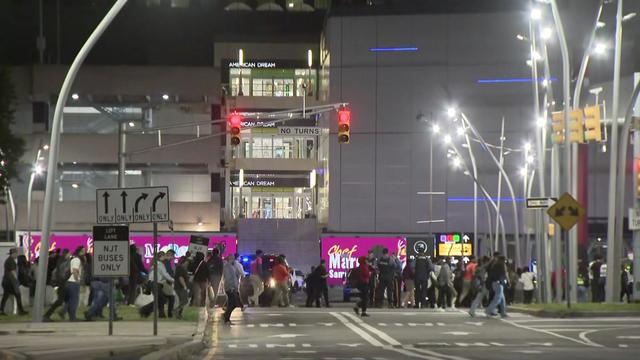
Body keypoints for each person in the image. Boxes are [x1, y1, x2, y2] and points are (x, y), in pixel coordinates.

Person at [43, 249, 71, 321]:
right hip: (63, 283)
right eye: (69, 254)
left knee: (68, 299)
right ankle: (47, 315)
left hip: (61, 282)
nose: (70, 255)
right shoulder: (64, 262)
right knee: (60, 301)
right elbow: (64, 273)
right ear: (66, 254)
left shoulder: (60, 261)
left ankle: (62, 312)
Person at [1, 249, 28, 315]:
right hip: (10, 282)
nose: (17, 255)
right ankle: (21, 311)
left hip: (6, 281)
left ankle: (1, 310)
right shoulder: (11, 261)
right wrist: (17, 281)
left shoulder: (9, 260)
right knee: (17, 295)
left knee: (6, 296)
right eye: (16, 253)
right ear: (13, 254)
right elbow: (13, 272)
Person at [149, 252, 174, 318]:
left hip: (152, 283)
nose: (165, 257)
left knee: (160, 299)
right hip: (156, 283)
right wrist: (173, 280)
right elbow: (165, 274)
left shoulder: (154, 263)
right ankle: (160, 314)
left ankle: (161, 314)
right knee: (160, 299)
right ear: (161, 256)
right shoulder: (160, 264)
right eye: (164, 256)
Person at [222, 254, 244, 325]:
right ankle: (226, 317)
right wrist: (231, 287)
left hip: (233, 287)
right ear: (229, 259)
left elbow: (236, 276)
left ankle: (226, 318)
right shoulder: (227, 267)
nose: (233, 260)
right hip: (230, 288)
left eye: (233, 258)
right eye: (231, 258)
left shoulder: (232, 266)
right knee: (234, 303)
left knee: (232, 303)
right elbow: (228, 278)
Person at [65, 246, 85, 321]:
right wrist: (77, 280)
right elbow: (75, 270)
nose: (84, 253)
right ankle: (72, 317)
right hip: (74, 282)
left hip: (71, 282)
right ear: (79, 252)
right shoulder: (77, 260)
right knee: (74, 301)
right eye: (83, 251)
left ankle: (70, 315)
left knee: (71, 300)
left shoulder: (74, 259)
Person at [163, 250, 176, 317]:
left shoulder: (168, 262)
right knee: (171, 298)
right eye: (173, 256)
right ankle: (169, 314)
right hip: (166, 282)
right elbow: (168, 272)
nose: (174, 257)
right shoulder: (166, 262)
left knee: (166, 298)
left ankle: (163, 313)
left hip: (166, 281)